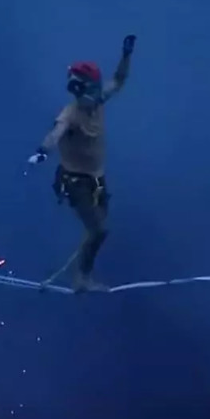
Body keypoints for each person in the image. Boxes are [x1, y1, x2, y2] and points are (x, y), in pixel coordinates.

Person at [28, 34, 136, 292]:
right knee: (99, 230)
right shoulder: (70, 115)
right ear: (78, 90)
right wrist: (42, 152)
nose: (96, 96)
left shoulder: (97, 101)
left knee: (97, 227)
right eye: (90, 91)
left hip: (96, 179)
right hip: (76, 182)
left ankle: (74, 269)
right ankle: (81, 278)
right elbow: (55, 133)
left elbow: (119, 80)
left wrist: (126, 55)